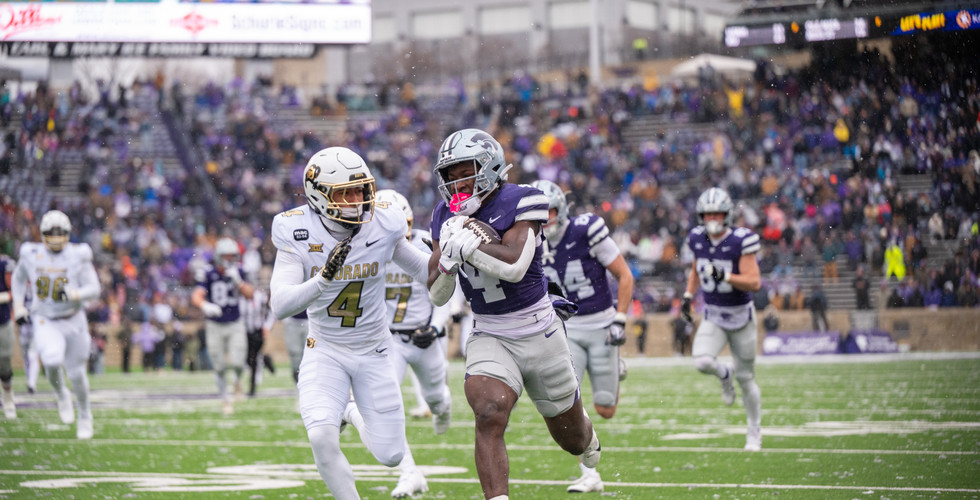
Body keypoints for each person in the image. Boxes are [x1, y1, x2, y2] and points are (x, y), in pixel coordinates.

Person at [427, 128, 600, 500]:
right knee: (488, 411)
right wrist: (447, 262)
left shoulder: (522, 199)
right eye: (450, 174)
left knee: (572, 439)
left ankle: (587, 434)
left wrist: (473, 245)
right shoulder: (444, 213)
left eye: (464, 170)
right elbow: (436, 294)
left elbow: (516, 265)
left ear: (488, 166)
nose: (457, 181)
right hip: (490, 330)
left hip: (539, 329)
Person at [269, 147, 430, 500]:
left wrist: (452, 260)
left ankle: (352, 413)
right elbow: (279, 304)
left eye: (361, 190)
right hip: (325, 349)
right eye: (346, 193)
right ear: (319, 194)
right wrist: (323, 280)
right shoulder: (295, 228)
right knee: (320, 435)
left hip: (374, 350)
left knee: (391, 455)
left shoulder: (384, 222)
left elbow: (426, 273)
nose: (358, 201)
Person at [531, 179, 633, 493]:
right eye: (538, 212)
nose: (544, 218)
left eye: (549, 210)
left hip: (602, 324)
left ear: (561, 209)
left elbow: (624, 275)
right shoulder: (529, 241)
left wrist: (620, 319)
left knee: (606, 408)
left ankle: (616, 365)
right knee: (567, 398)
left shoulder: (586, 230)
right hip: (567, 328)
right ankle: (590, 473)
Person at [377, 189, 453, 498]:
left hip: (424, 336)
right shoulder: (369, 249)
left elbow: (447, 291)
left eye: (404, 224)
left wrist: (435, 328)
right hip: (390, 339)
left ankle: (443, 408)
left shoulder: (424, 242)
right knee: (385, 406)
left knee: (436, 399)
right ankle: (409, 473)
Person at [681, 188, 763, 451]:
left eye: (717, 213)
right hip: (714, 315)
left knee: (747, 378)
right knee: (703, 361)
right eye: (708, 214)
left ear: (727, 215)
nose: (712, 218)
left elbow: (754, 282)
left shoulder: (741, 240)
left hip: (741, 317)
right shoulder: (697, 238)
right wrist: (687, 295)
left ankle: (754, 431)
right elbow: (697, 267)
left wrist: (725, 276)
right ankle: (723, 374)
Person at [11, 210, 103, 439]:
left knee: (77, 374)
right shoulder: (31, 253)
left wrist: (73, 294)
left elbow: (94, 289)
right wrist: (19, 305)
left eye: (59, 232)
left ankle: (84, 414)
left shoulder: (78, 255)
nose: (55, 237)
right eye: (50, 232)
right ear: (42, 234)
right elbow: (19, 278)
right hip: (45, 318)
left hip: (73, 318)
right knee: (51, 359)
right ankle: (61, 394)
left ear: (68, 233)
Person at [192, 237, 255, 415]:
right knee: (219, 366)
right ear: (218, 256)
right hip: (214, 325)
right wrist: (204, 305)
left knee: (237, 362)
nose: (229, 260)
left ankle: (236, 381)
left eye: (232, 256)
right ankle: (226, 400)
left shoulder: (239, 271)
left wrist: (239, 282)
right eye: (226, 256)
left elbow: (251, 295)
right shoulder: (208, 273)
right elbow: (196, 295)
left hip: (235, 322)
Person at [241, 287, 275, 397]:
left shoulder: (261, 298)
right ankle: (265, 360)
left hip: (258, 331)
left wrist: (266, 327)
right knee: (247, 359)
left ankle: (252, 389)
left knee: (253, 359)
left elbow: (271, 312)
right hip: (245, 332)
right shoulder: (240, 300)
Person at [1, 253, 17, 419]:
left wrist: (4, 296)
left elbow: (15, 289)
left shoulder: (5, 263)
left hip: (2, 321)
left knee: (4, 361)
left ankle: (7, 397)